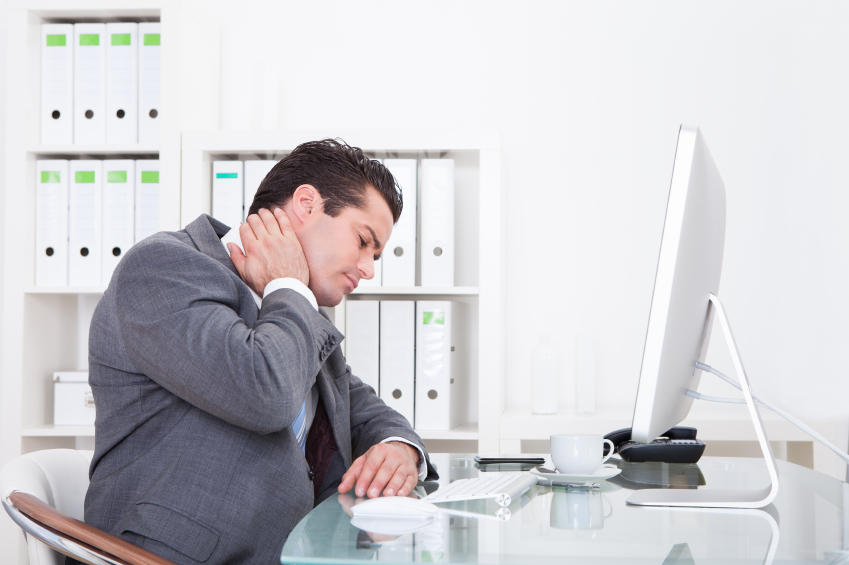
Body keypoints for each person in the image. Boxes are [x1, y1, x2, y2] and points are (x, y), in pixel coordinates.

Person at [79, 139, 437, 565]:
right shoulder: (164, 267)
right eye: (363, 241)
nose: (368, 268)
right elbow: (266, 395)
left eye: (375, 254)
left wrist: (399, 448)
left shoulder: (296, 311)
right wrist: (289, 285)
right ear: (307, 204)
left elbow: (359, 405)